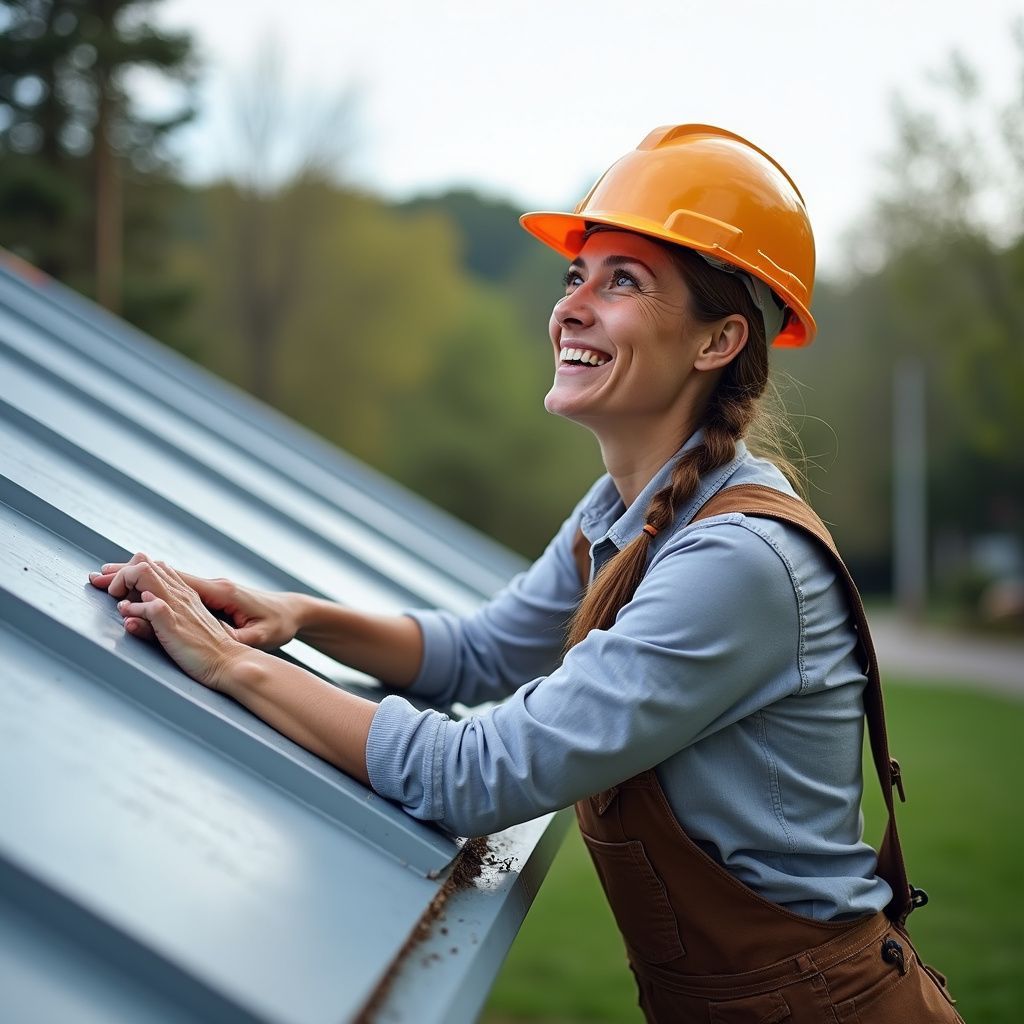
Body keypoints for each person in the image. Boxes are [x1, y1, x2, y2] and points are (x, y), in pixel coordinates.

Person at [89, 125, 961, 1022]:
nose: (573, 306)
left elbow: (477, 775)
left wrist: (230, 665)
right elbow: (481, 652)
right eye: (575, 276)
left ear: (719, 341)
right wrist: (299, 617)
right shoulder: (623, 514)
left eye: (623, 280)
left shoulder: (735, 561)